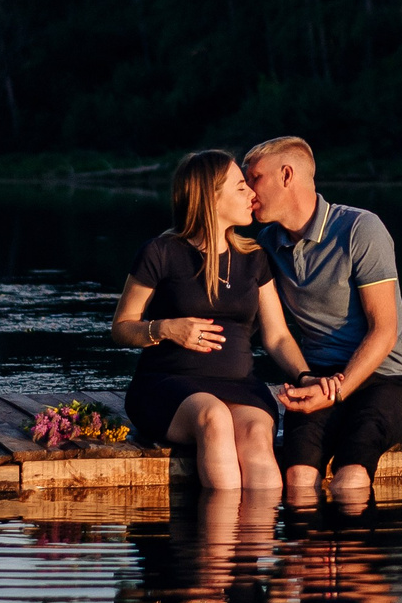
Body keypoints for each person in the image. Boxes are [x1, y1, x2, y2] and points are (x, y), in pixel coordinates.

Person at [112, 149, 317, 492]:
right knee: (214, 417)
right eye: (241, 187)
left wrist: (305, 376)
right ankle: (221, 527)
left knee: (256, 432)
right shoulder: (161, 252)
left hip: (240, 385)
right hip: (168, 386)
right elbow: (121, 327)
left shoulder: (254, 257)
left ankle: (258, 527)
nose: (252, 194)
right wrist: (164, 328)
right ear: (211, 196)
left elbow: (278, 336)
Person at [240, 135, 402, 499]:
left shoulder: (360, 229)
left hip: (387, 379)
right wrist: (309, 380)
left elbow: (384, 331)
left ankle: (353, 536)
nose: (247, 190)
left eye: (254, 178)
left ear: (286, 175)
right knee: (297, 477)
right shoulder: (267, 245)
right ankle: (305, 536)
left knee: (351, 476)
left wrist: (337, 392)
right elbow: (276, 335)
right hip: (317, 379)